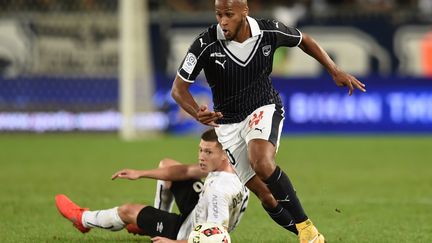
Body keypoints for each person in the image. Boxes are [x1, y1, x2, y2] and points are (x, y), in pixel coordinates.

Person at [171, 0, 367, 242]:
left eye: (229, 14)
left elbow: (304, 40)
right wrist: (195, 112)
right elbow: (178, 90)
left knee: (261, 162)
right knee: (267, 196)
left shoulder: (268, 31)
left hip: (263, 107)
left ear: (244, 12)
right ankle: (312, 236)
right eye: (218, 14)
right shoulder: (205, 43)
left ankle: (304, 225)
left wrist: (334, 70)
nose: (222, 21)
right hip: (228, 125)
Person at [55, 129, 249, 243]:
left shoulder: (218, 190)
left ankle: (82, 218)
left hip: (189, 232)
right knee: (168, 165)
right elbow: (184, 172)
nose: (201, 156)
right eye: (200, 150)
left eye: (208, 152)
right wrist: (140, 174)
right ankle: (153, 222)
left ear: (224, 153)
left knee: (128, 210)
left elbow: (215, 239)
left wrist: (173, 242)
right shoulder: (235, 167)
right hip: (200, 211)